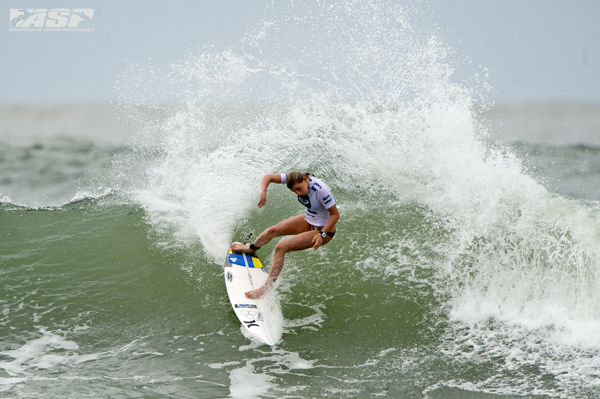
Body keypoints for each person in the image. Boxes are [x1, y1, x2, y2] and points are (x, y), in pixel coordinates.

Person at [230, 171, 340, 299]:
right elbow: (268, 177)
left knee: (280, 247)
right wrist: (263, 191)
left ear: (305, 179)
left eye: (299, 189)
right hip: (310, 220)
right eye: (295, 191)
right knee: (272, 231)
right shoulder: (294, 178)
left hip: (325, 231)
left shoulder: (321, 190)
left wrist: (322, 234)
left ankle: (265, 289)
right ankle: (251, 248)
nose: (298, 193)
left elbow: (335, 215)